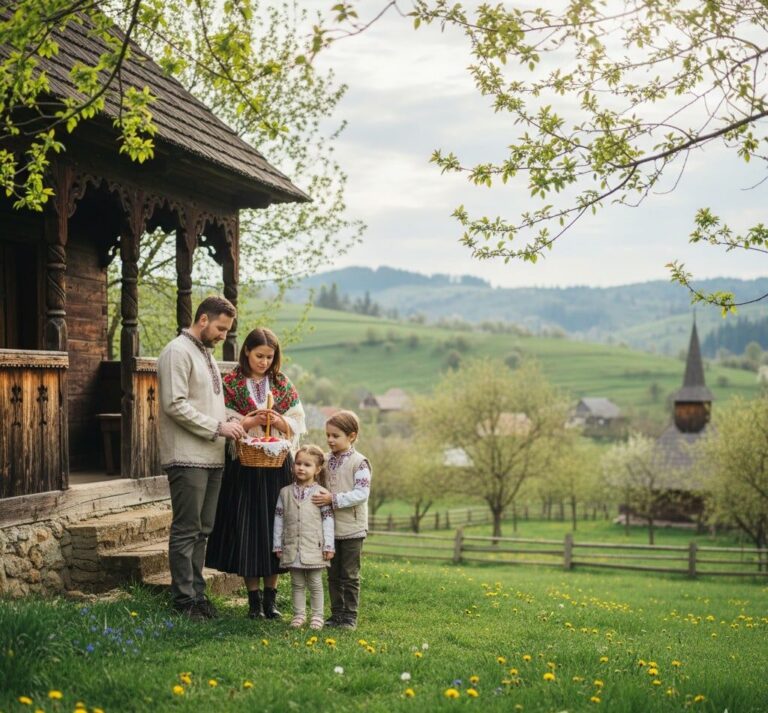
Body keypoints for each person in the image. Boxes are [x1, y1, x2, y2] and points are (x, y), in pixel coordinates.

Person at [205, 327, 306, 620]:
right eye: (259, 355)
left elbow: (298, 421)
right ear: (246, 352)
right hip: (245, 467)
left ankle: (271, 602)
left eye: (269, 356)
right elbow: (222, 420)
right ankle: (253, 602)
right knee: (250, 528)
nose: (263, 361)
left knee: (274, 528)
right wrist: (249, 422)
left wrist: (281, 421)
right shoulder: (232, 383)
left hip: (276, 466)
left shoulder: (282, 383)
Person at [157, 296, 246, 620]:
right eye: (221, 328)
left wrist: (235, 422)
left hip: (212, 456)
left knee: (203, 529)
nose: (224, 335)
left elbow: (211, 407)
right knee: (186, 529)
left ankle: (197, 595)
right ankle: (183, 600)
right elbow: (174, 404)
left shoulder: (205, 355)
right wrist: (218, 426)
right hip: (186, 456)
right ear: (204, 320)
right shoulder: (177, 352)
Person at [311, 410, 372, 630]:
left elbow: (361, 494)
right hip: (329, 528)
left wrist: (332, 499)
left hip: (352, 529)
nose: (329, 440)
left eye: (335, 436)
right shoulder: (325, 461)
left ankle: (349, 617)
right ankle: (336, 614)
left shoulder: (359, 463)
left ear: (352, 436)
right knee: (333, 574)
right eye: (327, 435)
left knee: (349, 574)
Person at [273, 444, 335, 630]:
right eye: (298, 463)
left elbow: (328, 521)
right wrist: (277, 544)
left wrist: (329, 546)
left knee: (315, 583)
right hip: (292, 546)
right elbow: (278, 520)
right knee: (297, 583)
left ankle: (317, 616)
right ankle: (299, 615)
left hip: (314, 547)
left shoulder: (321, 494)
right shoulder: (284, 493)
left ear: (317, 470)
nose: (301, 467)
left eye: (307, 465)